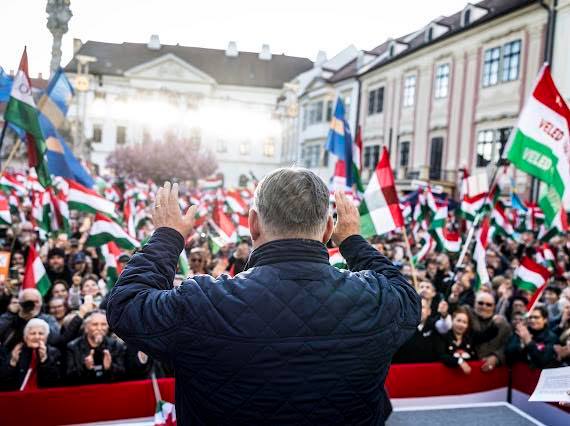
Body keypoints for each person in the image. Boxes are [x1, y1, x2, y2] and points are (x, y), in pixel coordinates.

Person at [107, 170, 421, 425]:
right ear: (329, 229)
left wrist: (168, 236)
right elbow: (406, 294)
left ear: (253, 224)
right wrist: (352, 239)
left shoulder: (205, 302)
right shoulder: (378, 299)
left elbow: (126, 305)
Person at [0, 318, 62, 390]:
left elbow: (54, 383)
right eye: (32, 333)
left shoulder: (54, 353)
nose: (37, 337)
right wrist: (12, 362)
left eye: (41, 334)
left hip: (42, 395)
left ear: (46, 337)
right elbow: (4, 382)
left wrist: (45, 360)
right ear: (25, 337)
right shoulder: (17, 351)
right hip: (19, 394)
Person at [66, 310, 126, 385]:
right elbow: (69, 378)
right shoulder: (73, 347)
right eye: (95, 324)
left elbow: (123, 375)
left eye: (103, 324)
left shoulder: (116, 345)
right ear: (86, 327)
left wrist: (110, 367)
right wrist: (86, 368)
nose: (99, 328)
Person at [393, 298, 438, 363]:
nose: (419, 310)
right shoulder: (400, 330)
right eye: (416, 307)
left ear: (429, 311)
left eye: (422, 307)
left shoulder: (435, 328)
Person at [435, 307, 476, 375]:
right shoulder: (443, 337)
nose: (461, 324)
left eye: (464, 322)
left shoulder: (471, 338)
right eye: (458, 320)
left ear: (468, 325)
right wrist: (459, 361)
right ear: (452, 320)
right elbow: (441, 356)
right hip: (447, 376)